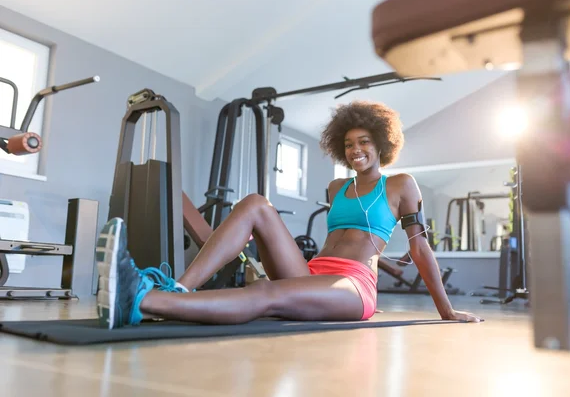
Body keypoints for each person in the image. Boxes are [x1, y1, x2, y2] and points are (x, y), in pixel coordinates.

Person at [95, 101, 482, 329]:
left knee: (264, 292)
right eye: (348, 144)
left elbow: (419, 249)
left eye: (364, 142)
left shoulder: (401, 185)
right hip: (312, 272)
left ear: (381, 143)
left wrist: (446, 311)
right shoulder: (336, 189)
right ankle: (177, 290)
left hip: (353, 285)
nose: (355, 150)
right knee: (254, 204)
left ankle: (144, 301)